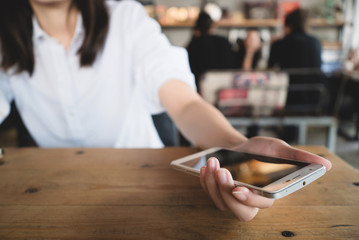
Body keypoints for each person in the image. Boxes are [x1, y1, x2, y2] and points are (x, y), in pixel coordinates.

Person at [0, 0, 331, 221]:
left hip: (148, 188)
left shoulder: (124, 17)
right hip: (54, 198)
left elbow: (184, 102)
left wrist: (236, 144)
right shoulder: (6, 37)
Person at [268, 8, 323, 142]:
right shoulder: (316, 42)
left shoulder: (280, 44)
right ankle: (292, 138)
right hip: (314, 98)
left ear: (288, 26)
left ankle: (287, 138)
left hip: (287, 100)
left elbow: (270, 69)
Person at [186, 11, 236, 90]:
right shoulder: (224, 41)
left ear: (196, 28)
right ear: (212, 26)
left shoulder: (193, 45)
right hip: (224, 88)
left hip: (201, 89)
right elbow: (233, 65)